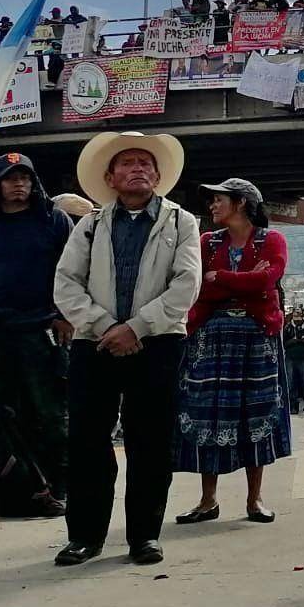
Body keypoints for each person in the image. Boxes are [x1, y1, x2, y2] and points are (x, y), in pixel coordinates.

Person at [53, 133, 201, 566]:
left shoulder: (181, 222)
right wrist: (105, 326)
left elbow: (185, 284)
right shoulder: (91, 223)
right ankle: (84, 536)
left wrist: (135, 327)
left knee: (150, 441)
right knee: (86, 441)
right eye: (127, 163)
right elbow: (66, 283)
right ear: (110, 177)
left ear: (158, 175)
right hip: (93, 343)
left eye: (146, 163)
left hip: (158, 343)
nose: (138, 168)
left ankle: (144, 536)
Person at [0, 153, 74, 513]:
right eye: (10, 178)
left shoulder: (54, 220)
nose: (18, 185)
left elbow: (75, 273)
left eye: (24, 178)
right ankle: (3, 490)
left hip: (43, 332)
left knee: (49, 415)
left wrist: (66, 316)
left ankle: (58, 488)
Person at [173, 177, 289, 525]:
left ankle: (255, 500)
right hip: (211, 338)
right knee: (208, 412)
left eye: (219, 199)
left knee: (256, 412)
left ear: (240, 203)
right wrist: (238, 281)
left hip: (257, 337)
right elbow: (198, 289)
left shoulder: (272, 240)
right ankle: (207, 500)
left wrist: (219, 277)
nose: (212, 206)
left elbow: (267, 280)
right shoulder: (207, 242)